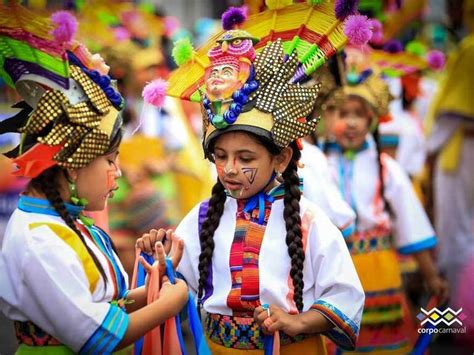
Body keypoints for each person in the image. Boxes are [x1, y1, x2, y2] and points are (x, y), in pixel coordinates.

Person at [137, 3, 365, 354]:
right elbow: (177, 283)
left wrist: (299, 321)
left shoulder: (309, 222)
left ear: (282, 157)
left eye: (245, 158)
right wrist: (160, 264)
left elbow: (345, 294)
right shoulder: (202, 218)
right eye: (220, 156)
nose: (229, 169)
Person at [0, 6, 187, 354]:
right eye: (110, 161)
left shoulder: (66, 221)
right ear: (73, 165)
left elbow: (102, 309)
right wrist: (167, 304)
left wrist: (158, 281)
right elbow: (97, 337)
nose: (117, 172)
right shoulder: (40, 239)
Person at [325, 72, 448, 353]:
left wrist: (430, 275)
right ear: (329, 118)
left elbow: (410, 220)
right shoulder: (318, 163)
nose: (352, 122)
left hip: (378, 267)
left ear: (371, 120)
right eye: (343, 113)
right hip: (332, 265)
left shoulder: (385, 167)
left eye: (360, 114)